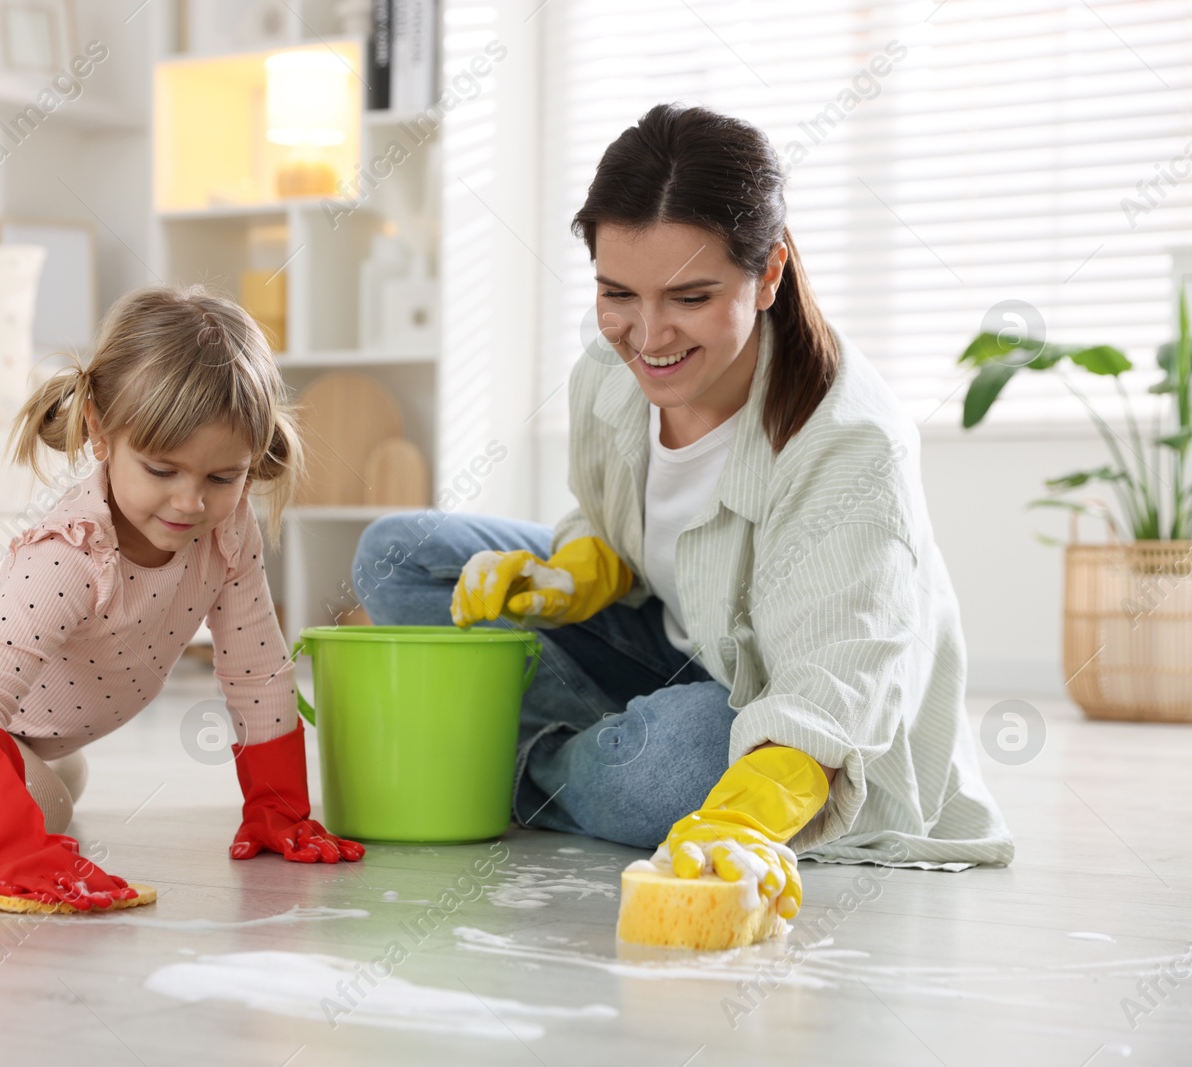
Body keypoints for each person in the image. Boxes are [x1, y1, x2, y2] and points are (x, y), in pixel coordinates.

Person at [353, 104, 1012, 919]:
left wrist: (741, 821)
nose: (649, 336)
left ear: (768, 274)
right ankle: (584, 757)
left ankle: (522, 759)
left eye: (691, 297)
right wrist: (572, 574)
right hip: (661, 640)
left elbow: (832, 692)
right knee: (397, 552)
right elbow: (605, 519)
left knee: (679, 760)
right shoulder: (610, 369)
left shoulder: (850, 450)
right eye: (617, 292)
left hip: (772, 714)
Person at [0, 285, 363, 910]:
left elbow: (255, 670)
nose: (191, 503)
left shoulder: (227, 527)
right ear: (100, 433)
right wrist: (17, 849)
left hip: (29, 726)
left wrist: (278, 809)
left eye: (223, 477)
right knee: (45, 809)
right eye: (163, 471)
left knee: (67, 776)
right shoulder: (68, 559)